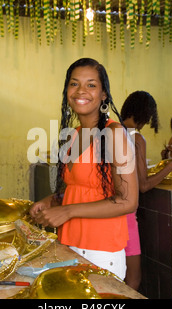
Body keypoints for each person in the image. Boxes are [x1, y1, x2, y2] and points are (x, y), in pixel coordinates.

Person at [29, 58, 139, 280]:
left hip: (100, 250)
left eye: (91, 85)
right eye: (74, 83)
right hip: (70, 243)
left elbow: (128, 201)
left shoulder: (114, 133)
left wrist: (67, 211)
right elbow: (83, 189)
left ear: (103, 94)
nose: (81, 91)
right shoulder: (73, 136)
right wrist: (52, 200)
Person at [120, 90, 172, 290]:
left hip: (108, 211)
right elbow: (143, 185)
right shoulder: (136, 138)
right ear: (146, 115)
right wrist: (168, 168)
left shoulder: (112, 132)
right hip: (126, 215)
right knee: (133, 279)